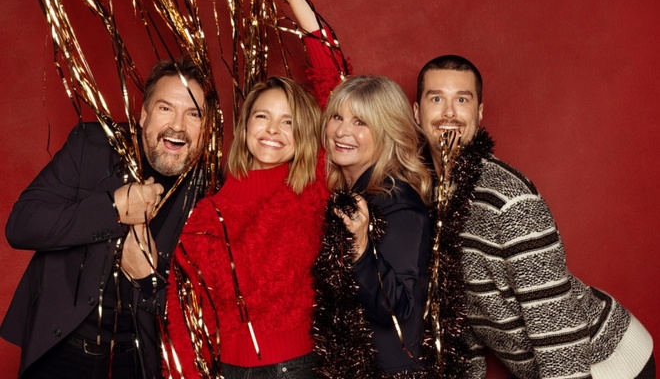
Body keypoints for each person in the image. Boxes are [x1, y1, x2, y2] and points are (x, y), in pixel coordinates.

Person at [413, 54, 655, 378]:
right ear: (417, 112)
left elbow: (556, 324)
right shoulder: (429, 197)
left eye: (462, 99)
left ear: (479, 112)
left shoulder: (511, 200)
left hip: (607, 362)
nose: (449, 112)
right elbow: (462, 310)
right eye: (436, 98)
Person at [1, 58, 214, 378]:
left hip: (136, 361)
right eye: (166, 108)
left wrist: (148, 280)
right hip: (60, 350)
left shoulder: (210, 192)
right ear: (143, 115)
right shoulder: (93, 145)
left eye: (193, 114)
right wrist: (112, 210)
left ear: (206, 126)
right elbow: (22, 225)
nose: (178, 126)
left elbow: (209, 312)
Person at [162, 76, 329, 379]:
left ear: (305, 131)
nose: (273, 130)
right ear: (245, 125)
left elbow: (338, 91)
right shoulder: (205, 215)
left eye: (288, 122)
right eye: (262, 116)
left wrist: (308, 25)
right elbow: (184, 319)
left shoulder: (310, 185)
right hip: (226, 370)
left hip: (292, 367)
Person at [313, 75, 437, 377]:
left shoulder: (397, 203)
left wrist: (361, 247)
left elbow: (395, 309)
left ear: (387, 131)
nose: (342, 131)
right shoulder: (353, 192)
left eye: (361, 123)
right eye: (337, 117)